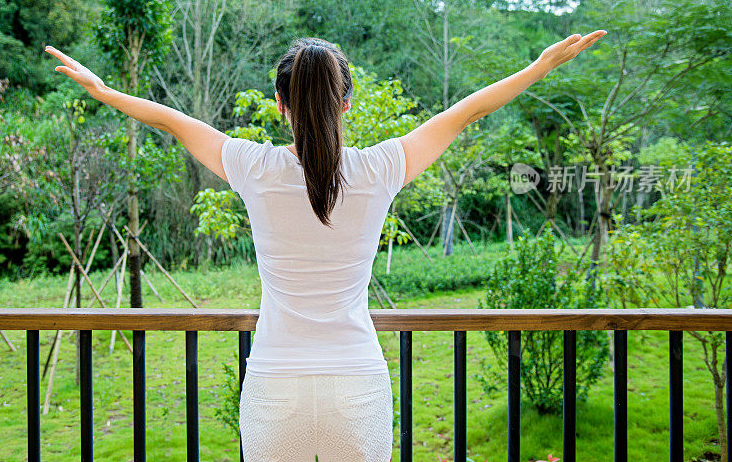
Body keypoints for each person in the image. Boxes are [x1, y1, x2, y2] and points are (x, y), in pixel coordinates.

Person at [45, 29, 606, 461]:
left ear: (280, 103)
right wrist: (538, 67)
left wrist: (105, 91)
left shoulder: (254, 166)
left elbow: (174, 121)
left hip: (274, 385)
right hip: (356, 383)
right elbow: (467, 112)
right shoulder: (380, 168)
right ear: (345, 103)